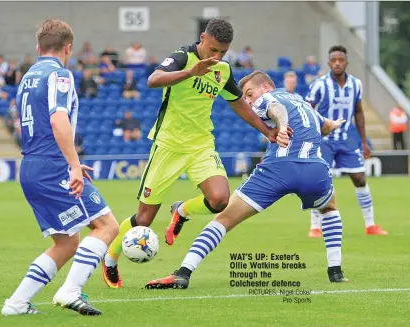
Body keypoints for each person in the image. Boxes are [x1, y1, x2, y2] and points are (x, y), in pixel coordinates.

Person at [101, 19, 282, 288]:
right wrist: (190, 72)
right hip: (168, 146)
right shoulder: (182, 57)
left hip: (200, 145)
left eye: (223, 52)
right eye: (214, 50)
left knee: (221, 199)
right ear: (203, 39)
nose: (217, 56)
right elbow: (153, 80)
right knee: (144, 220)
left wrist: (266, 130)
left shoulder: (222, 69)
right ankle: (111, 259)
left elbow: (239, 104)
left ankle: (182, 210)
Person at [145, 71, 348, 289]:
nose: (249, 102)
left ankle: (183, 273)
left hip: (278, 168)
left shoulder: (269, 98)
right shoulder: (302, 102)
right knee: (330, 207)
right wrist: (336, 123)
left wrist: (282, 126)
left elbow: (275, 109)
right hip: (315, 171)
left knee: (223, 219)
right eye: (246, 98)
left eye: (250, 94)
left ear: (266, 87)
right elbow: (325, 126)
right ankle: (335, 271)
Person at [1, 19, 119, 316]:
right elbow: (57, 120)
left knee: (67, 242)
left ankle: (15, 304)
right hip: (54, 168)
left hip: (31, 165)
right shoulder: (60, 75)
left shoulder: (28, 77)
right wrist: (74, 165)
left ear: (38, 47)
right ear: (68, 48)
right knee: (107, 226)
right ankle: (70, 291)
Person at [306, 45, 387, 238]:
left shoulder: (356, 84)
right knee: (319, 181)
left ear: (346, 62)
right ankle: (315, 226)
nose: (337, 63)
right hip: (324, 140)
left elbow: (358, 111)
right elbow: (307, 109)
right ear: (328, 63)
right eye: (333, 60)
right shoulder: (320, 85)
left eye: (340, 60)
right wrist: (310, 135)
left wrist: (364, 142)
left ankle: (370, 225)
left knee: (360, 178)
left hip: (347, 139)